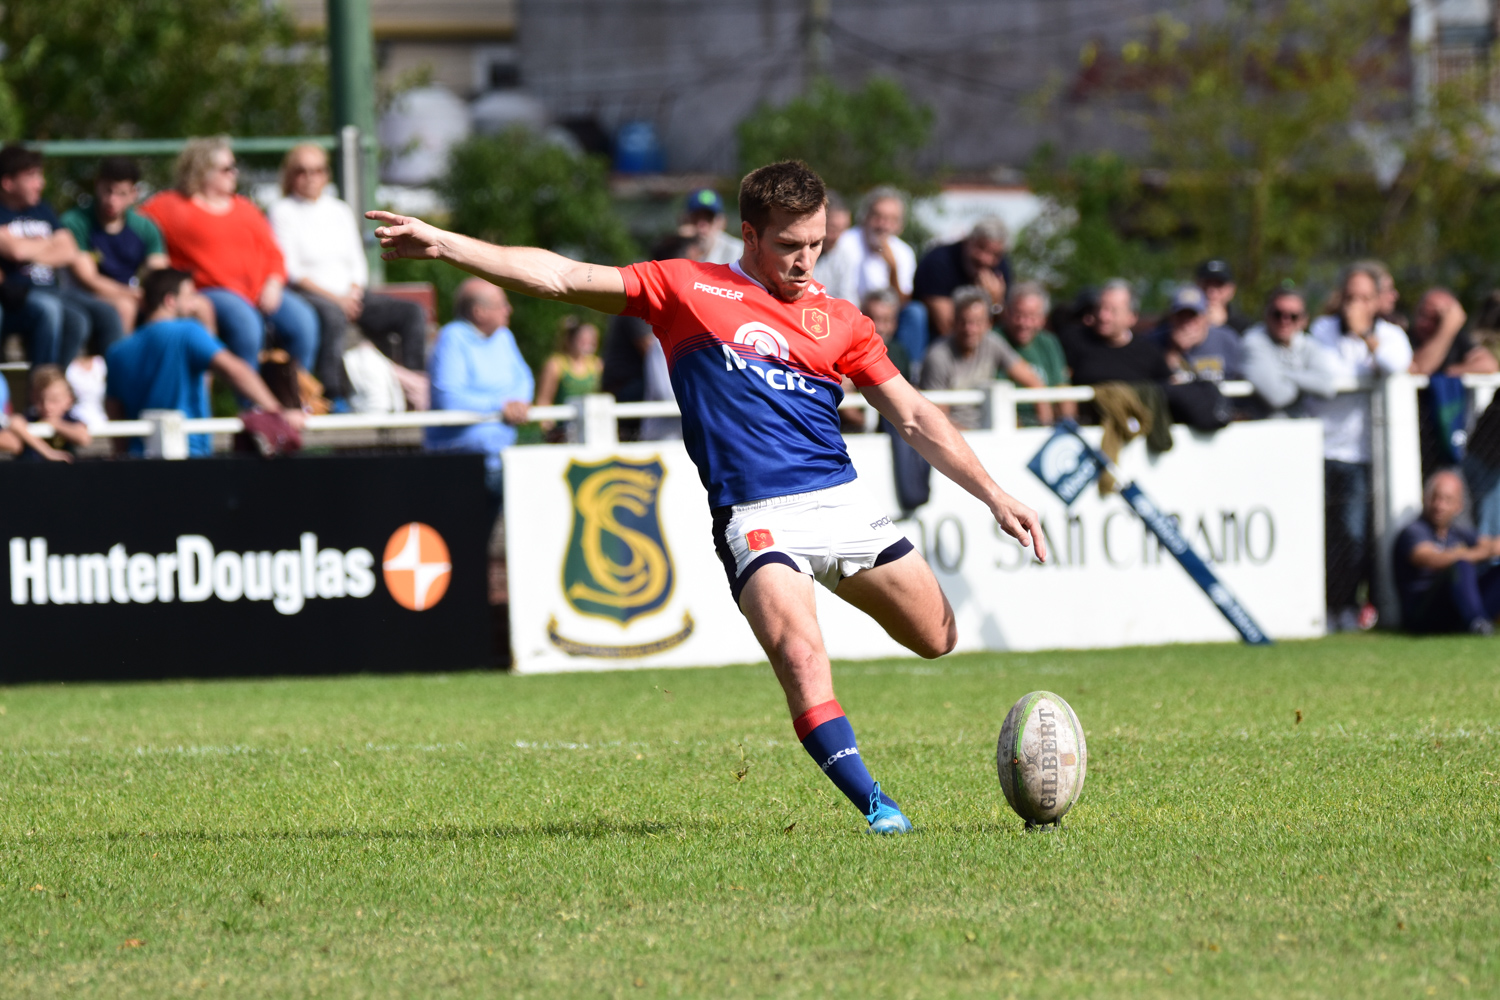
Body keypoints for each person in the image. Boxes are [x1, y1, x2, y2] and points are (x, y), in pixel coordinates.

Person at [370, 159, 1047, 836]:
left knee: (938, 638)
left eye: (815, 244)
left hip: (842, 505)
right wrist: (447, 244)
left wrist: (994, 493)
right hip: (757, 518)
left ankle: (871, 736)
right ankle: (878, 808)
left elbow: (916, 416)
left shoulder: (840, 320)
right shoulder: (686, 288)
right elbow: (562, 276)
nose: (805, 260)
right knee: (803, 659)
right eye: (788, 245)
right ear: (749, 236)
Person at [140, 136, 320, 377]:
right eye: (226, 169)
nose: (233, 173)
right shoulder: (170, 206)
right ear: (202, 170)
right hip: (212, 290)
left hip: (259, 289)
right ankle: (252, 404)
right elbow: (133, 228)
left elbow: (273, 253)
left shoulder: (245, 207)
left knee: (304, 322)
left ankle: (295, 395)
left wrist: (274, 283)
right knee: (246, 325)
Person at [268, 143, 430, 401]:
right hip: (311, 295)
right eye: (302, 171)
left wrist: (352, 294)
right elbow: (292, 271)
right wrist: (338, 300)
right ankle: (334, 395)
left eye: (317, 170)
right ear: (290, 175)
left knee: (412, 313)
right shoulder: (282, 211)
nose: (310, 177)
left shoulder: (339, 209)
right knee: (332, 317)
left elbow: (357, 262)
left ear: (326, 174)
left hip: (352, 295)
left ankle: (416, 385)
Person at [1304, 263, 1414, 633]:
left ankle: (1350, 605)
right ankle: (1326, 608)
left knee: (1353, 535)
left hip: (1361, 453)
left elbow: (1394, 364)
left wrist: (1365, 336)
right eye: (1350, 297)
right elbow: (1326, 375)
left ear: (1378, 301)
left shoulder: (1390, 334)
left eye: (1364, 298)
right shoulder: (1321, 331)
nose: (1355, 305)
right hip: (1319, 447)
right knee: (1320, 532)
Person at [106, 268, 303, 457]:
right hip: (189, 456)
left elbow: (114, 409)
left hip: (139, 465)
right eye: (190, 296)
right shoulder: (188, 332)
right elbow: (235, 370)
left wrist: (123, 455)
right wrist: (278, 412)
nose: (194, 304)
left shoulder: (117, 351)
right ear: (170, 300)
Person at [425, 278, 534, 516]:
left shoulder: (504, 336)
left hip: (503, 459)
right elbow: (449, 399)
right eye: (502, 304)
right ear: (479, 312)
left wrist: (518, 403)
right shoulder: (451, 338)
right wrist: (501, 407)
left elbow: (525, 380)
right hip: (459, 466)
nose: (509, 310)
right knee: (464, 545)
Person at [0, 145, 91, 366]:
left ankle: (55, 390)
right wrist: (49, 244)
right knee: (48, 310)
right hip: (16, 296)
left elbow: (69, 249)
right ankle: (40, 392)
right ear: (8, 182)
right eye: (31, 176)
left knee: (83, 319)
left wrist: (29, 249)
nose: (41, 183)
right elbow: (15, 251)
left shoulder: (43, 209)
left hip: (52, 291)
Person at [819, 186, 928, 365]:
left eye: (891, 220)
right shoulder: (845, 242)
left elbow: (903, 303)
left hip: (886, 318)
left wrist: (892, 268)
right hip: (853, 311)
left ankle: (910, 370)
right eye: (878, 217)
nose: (883, 225)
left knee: (916, 313)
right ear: (865, 217)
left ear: (899, 225)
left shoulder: (903, 252)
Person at [61, 156, 170, 334]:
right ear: (97, 185)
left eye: (121, 194)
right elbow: (89, 280)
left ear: (134, 193)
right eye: (108, 191)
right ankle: (122, 360)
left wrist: (153, 296)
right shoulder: (75, 222)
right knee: (124, 307)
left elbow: (159, 272)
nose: (112, 200)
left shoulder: (145, 227)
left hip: (132, 295)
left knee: (169, 310)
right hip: (84, 296)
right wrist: (132, 294)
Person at [920, 285, 1046, 430]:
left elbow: (1034, 381)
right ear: (954, 322)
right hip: (954, 436)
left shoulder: (993, 343)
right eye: (964, 322)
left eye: (977, 322)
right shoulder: (938, 356)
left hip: (990, 431)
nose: (970, 329)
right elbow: (938, 418)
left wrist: (1045, 428)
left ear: (988, 324)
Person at [1393, 470, 1500, 634]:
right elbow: (1431, 558)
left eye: (1447, 500)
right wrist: (1467, 555)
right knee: (1461, 565)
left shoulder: (1458, 532)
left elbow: (1491, 545)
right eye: (1435, 498)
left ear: (1459, 506)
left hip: (1457, 610)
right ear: (1425, 499)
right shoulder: (1414, 532)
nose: (1439, 505)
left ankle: (1478, 621)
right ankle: (1478, 622)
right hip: (1425, 613)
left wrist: (1487, 549)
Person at [1241, 286, 1340, 417]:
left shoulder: (1308, 344)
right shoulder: (1253, 342)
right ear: (1265, 315)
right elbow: (1277, 396)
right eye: (1278, 314)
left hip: (1298, 431)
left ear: (1304, 320)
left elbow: (1326, 387)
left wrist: (1283, 374)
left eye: (1293, 316)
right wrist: (1307, 383)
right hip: (1259, 432)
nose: (1284, 321)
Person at [913, 217, 1013, 340]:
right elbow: (946, 327)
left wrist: (996, 305)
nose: (986, 259)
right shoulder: (938, 261)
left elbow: (1008, 324)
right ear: (967, 241)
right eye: (981, 248)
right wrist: (989, 302)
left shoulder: (1001, 267)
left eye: (995, 254)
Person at [1061, 280, 1171, 386]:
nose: (1103, 316)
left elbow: (1167, 389)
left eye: (1113, 311)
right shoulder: (1074, 340)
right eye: (1099, 308)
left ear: (1132, 317)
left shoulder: (1149, 352)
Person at [1001, 282, 1072, 425]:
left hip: (1047, 426)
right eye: (1018, 315)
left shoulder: (1049, 343)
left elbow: (1062, 388)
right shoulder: (996, 341)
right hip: (1008, 427)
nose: (1024, 323)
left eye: (1031, 317)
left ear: (1043, 319)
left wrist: (1069, 425)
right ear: (1007, 313)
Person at [1153, 286, 1243, 384]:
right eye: (1181, 316)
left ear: (1206, 317)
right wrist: (1173, 351)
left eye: (1193, 316)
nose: (1187, 323)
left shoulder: (1227, 340)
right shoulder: (1155, 343)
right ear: (1171, 318)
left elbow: (1241, 378)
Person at [535, 315, 602, 439]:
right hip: (562, 430)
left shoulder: (597, 366)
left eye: (591, 340)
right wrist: (548, 428)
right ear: (571, 339)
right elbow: (544, 399)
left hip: (591, 428)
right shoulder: (556, 364)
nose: (587, 344)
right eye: (583, 339)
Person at [19, 364, 91, 461]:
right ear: (33, 398)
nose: (47, 406)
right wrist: (48, 452)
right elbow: (14, 422)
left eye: (54, 400)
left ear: (69, 400)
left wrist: (56, 425)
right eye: (40, 400)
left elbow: (84, 438)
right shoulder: (30, 419)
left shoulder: (69, 420)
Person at [682, 188, 743, 266]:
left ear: (721, 222)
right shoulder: (678, 251)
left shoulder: (737, 252)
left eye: (708, 219)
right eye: (696, 218)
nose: (701, 226)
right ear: (685, 221)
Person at [1194, 259, 1249, 333]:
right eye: (1206, 284)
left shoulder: (1244, 326)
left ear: (1231, 290)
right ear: (1196, 286)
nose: (1211, 291)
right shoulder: (1180, 322)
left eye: (1218, 284)